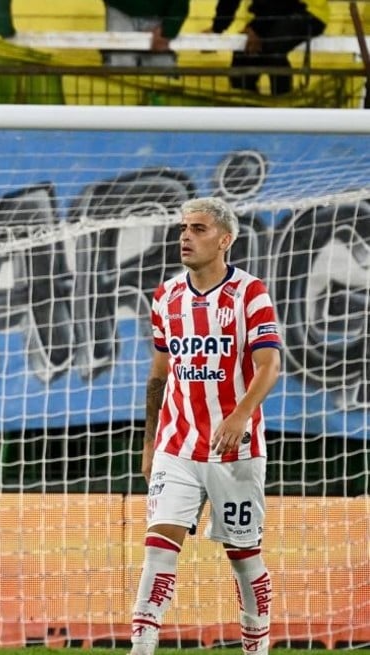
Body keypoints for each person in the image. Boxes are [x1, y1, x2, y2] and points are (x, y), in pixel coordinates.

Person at [130, 197, 282, 655]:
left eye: (198, 229)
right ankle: (142, 645)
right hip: (177, 446)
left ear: (224, 239)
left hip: (235, 450)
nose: (185, 237)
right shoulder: (166, 297)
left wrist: (239, 415)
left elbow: (269, 365)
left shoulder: (250, 293)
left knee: (243, 556)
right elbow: (159, 375)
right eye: (183, 228)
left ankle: (256, 645)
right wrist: (150, 441)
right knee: (159, 543)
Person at [208, 0, 328, 95]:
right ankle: (249, 112)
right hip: (275, 12)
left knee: (272, 48)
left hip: (307, 11)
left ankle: (283, 110)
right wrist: (216, 29)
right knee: (243, 57)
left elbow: (284, 5)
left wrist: (257, 28)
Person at [101, 0, 189, 68]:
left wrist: (168, 29)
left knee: (160, 69)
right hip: (119, 8)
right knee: (120, 65)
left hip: (159, 12)